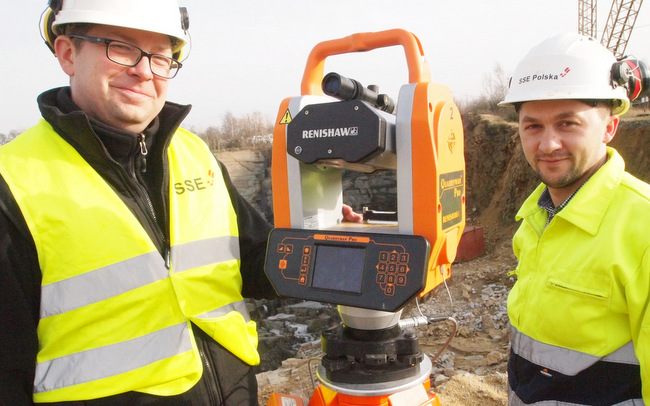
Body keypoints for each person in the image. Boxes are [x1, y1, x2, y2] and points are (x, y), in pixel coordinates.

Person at [0, 1, 362, 404]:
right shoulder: (12, 183)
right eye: (120, 47)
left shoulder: (193, 154)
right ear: (68, 53)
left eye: (160, 56)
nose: (143, 70)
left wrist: (333, 241)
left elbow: (259, 260)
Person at [499, 32, 650, 405]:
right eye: (533, 126)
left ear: (609, 128)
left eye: (568, 123)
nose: (548, 144)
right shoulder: (535, 216)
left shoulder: (642, 226)